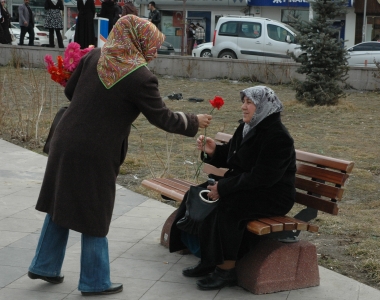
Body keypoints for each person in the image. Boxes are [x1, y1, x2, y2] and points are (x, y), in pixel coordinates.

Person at [27, 15, 212, 296]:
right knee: (94, 212)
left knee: (60, 201)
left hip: (65, 139)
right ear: (139, 41)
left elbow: (69, 91)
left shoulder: (96, 56)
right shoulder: (140, 77)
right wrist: (193, 121)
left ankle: (44, 265)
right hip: (95, 151)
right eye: (152, 45)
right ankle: (94, 281)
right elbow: (162, 118)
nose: (154, 51)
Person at [169, 86, 297, 290]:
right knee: (198, 194)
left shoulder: (278, 137)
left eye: (249, 103)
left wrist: (225, 187)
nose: (243, 107)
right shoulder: (248, 127)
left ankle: (226, 270)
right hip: (250, 187)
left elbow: (263, 177)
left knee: (228, 207)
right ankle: (208, 259)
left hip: (273, 195)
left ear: (263, 106)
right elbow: (233, 156)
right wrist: (213, 152)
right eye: (243, 101)